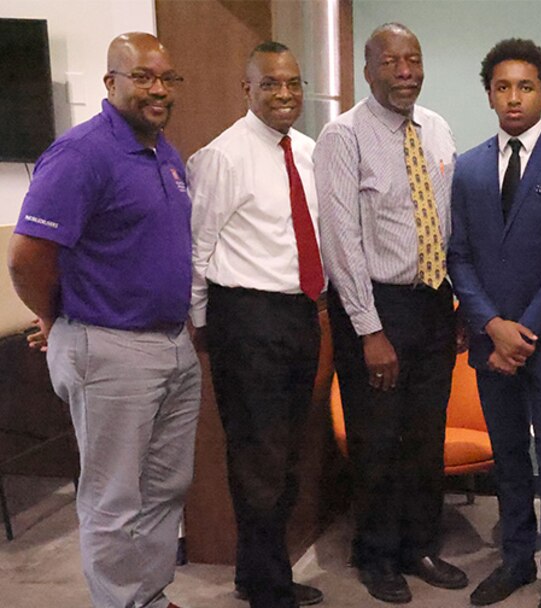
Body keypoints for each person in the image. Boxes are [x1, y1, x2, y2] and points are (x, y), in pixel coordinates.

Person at [7, 33, 198, 608]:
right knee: (114, 498)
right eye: (143, 76)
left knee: (166, 487)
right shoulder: (80, 154)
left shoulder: (163, 152)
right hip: (110, 349)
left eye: (167, 77)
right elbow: (26, 259)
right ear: (110, 82)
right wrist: (56, 318)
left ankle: (150, 595)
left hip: (170, 345)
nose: (158, 88)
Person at [314, 22, 466, 604]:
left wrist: (454, 303)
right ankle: (376, 555)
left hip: (432, 302)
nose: (405, 71)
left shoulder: (438, 128)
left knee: (423, 436)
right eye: (391, 61)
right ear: (369, 68)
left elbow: (448, 225)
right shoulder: (342, 136)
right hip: (375, 307)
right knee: (377, 440)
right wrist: (369, 328)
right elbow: (340, 238)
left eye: (414, 59)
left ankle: (418, 545)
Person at [448, 38, 541, 608]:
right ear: (489, 95)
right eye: (503, 87)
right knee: (509, 458)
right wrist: (491, 325)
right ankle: (515, 560)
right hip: (491, 344)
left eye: (526, 87)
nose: (514, 97)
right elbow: (458, 256)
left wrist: (523, 331)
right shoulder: (468, 167)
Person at [187, 42, 325, 608]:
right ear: (247, 90)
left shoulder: (312, 153)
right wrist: (201, 324)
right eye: (271, 84)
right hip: (245, 318)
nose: (286, 94)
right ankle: (267, 585)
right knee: (259, 456)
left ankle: (259, 571)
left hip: (299, 314)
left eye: (293, 82)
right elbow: (198, 249)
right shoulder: (221, 156)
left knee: (286, 451)